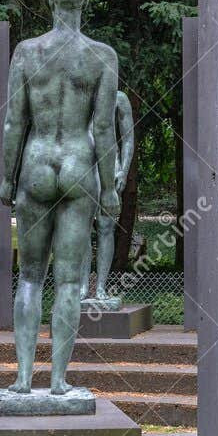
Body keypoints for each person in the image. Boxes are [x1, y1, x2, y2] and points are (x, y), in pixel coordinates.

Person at [0, 0, 119, 397]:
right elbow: (103, 129)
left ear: (51, 0)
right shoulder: (102, 56)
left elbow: (15, 122)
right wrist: (110, 187)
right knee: (70, 282)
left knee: (30, 278)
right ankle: (59, 381)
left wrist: (6, 179)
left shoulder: (28, 52)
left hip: (35, 164)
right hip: (79, 166)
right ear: (85, 0)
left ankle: (23, 378)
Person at [83, 90, 135, 303]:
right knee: (81, 229)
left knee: (106, 228)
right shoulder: (80, 96)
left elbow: (129, 138)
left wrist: (124, 169)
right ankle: (83, 286)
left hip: (109, 167)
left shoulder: (118, 98)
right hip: (83, 165)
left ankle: (101, 287)